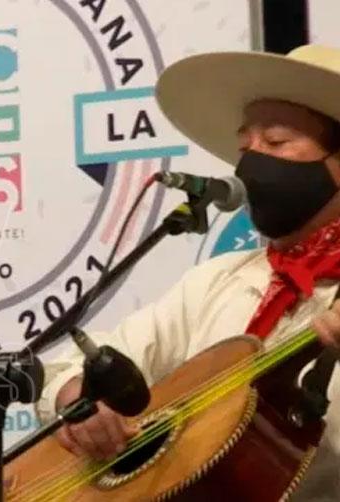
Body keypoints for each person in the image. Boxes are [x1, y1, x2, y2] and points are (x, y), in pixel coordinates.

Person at [36, 45, 340, 500]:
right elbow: (67, 369)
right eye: (245, 146)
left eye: (276, 142)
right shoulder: (217, 281)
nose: (251, 161)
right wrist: (77, 398)